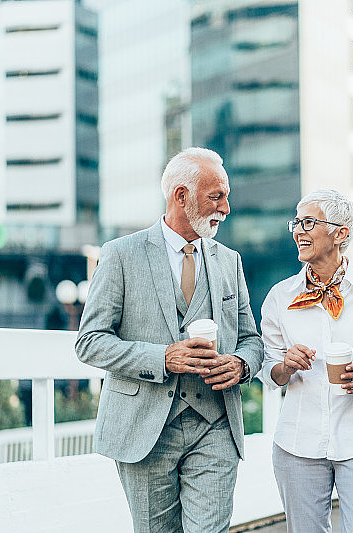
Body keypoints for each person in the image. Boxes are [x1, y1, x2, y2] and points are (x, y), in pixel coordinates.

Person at [75, 147, 263, 533]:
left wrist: (242, 364)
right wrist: (162, 358)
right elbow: (90, 341)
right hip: (144, 430)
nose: (226, 208)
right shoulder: (120, 255)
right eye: (217, 197)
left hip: (216, 424)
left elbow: (251, 340)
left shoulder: (230, 260)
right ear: (181, 196)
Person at [260, 189, 353, 533]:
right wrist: (286, 364)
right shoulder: (280, 297)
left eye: (308, 222)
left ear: (340, 233)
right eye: (296, 223)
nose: (298, 231)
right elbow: (269, 373)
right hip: (298, 443)